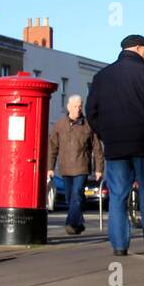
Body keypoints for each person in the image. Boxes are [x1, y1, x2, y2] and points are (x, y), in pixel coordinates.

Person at [85, 34, 144, 256]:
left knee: (118, 196)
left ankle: (120, 246)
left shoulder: (102, 77)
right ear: (138, 48)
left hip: (116, 148)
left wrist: (105, 135)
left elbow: (91, 111)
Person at [46, 94, 103, 235]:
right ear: (68, 107)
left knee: (77, 195)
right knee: (69, 198)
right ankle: (79, 223)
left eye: (79, 106)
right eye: (75, 106)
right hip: (65, 168)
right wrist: (50, 167)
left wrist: (99, 169)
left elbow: (97, 148)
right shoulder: (60, 125)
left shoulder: (88, 125)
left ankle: (70, 223)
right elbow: (52, 147)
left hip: (82, 167)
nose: (78, 109)